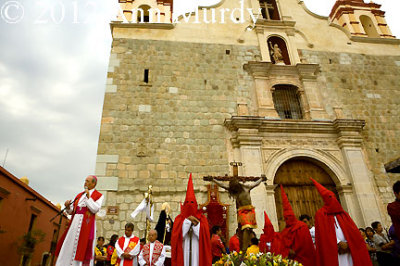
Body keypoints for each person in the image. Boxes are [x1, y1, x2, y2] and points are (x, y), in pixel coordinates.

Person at [311, 178, 372, 266]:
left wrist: (349, 243)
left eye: (333, 197)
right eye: (329, 197)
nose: (332, 199)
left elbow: (352, 231)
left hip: (349, 250)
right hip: (335, 252)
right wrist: (338, 242)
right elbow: (323, 233)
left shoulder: (343, 214)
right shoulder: (321, 214)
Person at [55, 175, 104, 266]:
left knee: (82, 247)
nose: (85, 183)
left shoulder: (99, 195)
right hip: (74, 224)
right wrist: (68, 206)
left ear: (94, 183)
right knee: (69, 244)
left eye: (88, 181)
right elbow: (72, 211)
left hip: (87, 225)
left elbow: (95, 209)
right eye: (85, 180)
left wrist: (89, 198)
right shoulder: (79, 195)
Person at [211, 175, 266, 250]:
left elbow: (255, 184)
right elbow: (223, 185)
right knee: (246, 228)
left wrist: (261, 179)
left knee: (250, 229)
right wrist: (214, 180)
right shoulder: (234, 191)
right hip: (242, 211)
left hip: (250, 210)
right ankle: (244, 248)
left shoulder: (246, 187)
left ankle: (249, 245)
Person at [171, 174, 212, 266]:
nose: (190, 205)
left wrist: (197, 224)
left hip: (197, 250)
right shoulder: (179, 219)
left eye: (192, 203)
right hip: (184, 249)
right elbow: (177, 237)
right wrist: (187, 222)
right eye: (188, 202)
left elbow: (204, 237)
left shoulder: (202, 219)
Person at [280, 185, 315, 266]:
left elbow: (306, 245)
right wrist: (287, 250)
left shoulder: (302, 226)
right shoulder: (284, 231)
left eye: (289, 217)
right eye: (286, 218)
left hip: (304, 259)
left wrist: (293, 250)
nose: (287, 220)